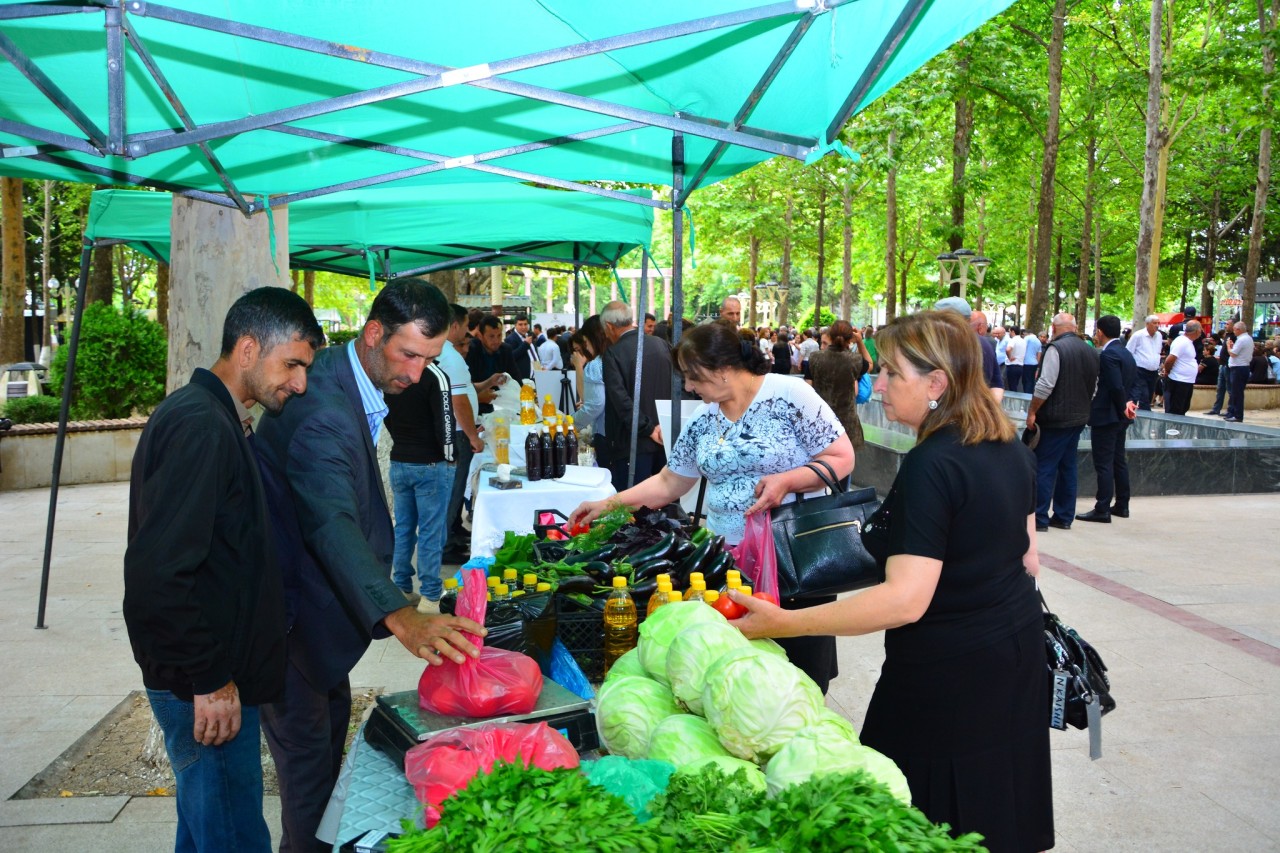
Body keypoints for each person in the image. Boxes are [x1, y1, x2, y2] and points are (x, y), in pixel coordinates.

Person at [726, 310, 1053, 853]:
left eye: (891, 373)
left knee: (914, 813)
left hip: (949, 674)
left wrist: (785, 622)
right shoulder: (1008, 445)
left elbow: (905, 599)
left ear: (936, 383)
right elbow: (1028, 559)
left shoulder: (935, 462)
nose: (876, 384)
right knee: (995, 806)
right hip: (1012, 654)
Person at [255, 281, 486, 853]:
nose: (415, 374)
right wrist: (400, 615)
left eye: (429, 360)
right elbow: (330, 524)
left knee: (328, 771)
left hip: (318, 623)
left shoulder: (342, 369)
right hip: (290, 625)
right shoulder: (323, 414)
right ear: (374, 333)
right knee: (309, 795)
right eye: (408, 355)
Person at [124, 288, 323, 853]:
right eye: (292, 364)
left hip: (214, 679)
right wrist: (209, 679)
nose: (300, 383)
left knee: (209, 834)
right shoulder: (200, 425)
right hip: (204, 686)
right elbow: (157, 576)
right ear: (246, 348)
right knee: (233, 837)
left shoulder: (218, 418)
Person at [569, 321, 854, 692]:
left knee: (801, 668)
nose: (688, 386)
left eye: (693, 377)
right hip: (728, 562)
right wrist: (609, 504)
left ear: (721, 368)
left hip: (794, 557)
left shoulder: (790, 394)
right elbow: (670, 482)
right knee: (741, 670)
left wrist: (789, 480)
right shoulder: (703, 420)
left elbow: (842, 456)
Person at [384, 356, 455, 611]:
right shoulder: (435, 375)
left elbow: (387, 416)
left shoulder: (394, 370)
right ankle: (430, 595)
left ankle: (401, 587)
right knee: (431, 531)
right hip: (431, 463)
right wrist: (450, 456)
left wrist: (403, 442)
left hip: (401, 459)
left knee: (403, 527)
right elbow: (445, 422)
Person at [1026, 312, 1099, 531]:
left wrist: (1032, 412)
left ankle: (1039, 517)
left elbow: (1045, 384)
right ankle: (1064, 515)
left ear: (1054, 328)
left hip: (1055, 419)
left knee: (1045, 466)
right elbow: (1094, 387)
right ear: (1074, 328)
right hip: (1078, 417)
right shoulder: (1090, 350)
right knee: (1068, 467)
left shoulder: (1055, 349)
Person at [600, 300, 673, 490]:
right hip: (664, 436)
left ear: (609, 326)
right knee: (663, 503)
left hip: (631, 443)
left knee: (632, 506)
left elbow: (620, 400)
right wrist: (659, 427)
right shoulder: (661, 344)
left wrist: (648, 429)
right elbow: (679, 385)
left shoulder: (613, 354)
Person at [1078, 315, 1139, 523]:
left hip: (1107, 416)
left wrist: (1123, 406)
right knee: (1118, 460)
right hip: (1121, 416)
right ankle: (1122, 504)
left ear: (1100, 332)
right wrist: (1131, 404)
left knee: (1104, 463)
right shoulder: (1126, 353)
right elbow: (1134, 383)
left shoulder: (1108, 355)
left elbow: (1115, 385)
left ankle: (1102, 508)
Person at [439, 304, 485, 565]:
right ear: (454, 325)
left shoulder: (446, 354)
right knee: (454, 490)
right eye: (466, 325)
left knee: (455, 490)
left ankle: (452, 533)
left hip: (457, 431)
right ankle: (444, 546)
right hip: (457, 434)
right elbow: (458, 401)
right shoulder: (449, 355)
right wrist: (472, 435)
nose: (468, 331)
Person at [806, 320, 867, 455]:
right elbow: (869, 365)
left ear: (830, 337)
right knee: (844, 467)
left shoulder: (814, 358)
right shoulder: (855, 360)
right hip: (847, 425)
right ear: (850, 338)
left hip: (819, 422)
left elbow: (807, 389)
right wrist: (860, 342)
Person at [570, 315, 611, 448]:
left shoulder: (595, 365)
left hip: (605, 433)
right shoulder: (617, 356)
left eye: (585, 342)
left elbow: (593, 405)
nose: (585, 348)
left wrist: (570, 422)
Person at [466, 314, 515, 415]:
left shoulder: (506, 350)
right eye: (491, 336)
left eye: (499, 335)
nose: (496, 341)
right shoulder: (469, 350)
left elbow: (516, 378)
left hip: (502, 407)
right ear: (480, 335)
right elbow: (466, 384)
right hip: (475, 409)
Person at [1160, 319, 1202, 416]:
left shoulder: (1188, 342)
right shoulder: (1182, 342)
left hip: (1186, 381)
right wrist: (1167, 371)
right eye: (1200, 329)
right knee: (1176, 410)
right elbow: (1170, 360)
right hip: (1178, 381)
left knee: (1183, 408)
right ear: (1196, 331)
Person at [1126, 314, 1164, 410]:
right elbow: (1129, 351)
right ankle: (1143, 414)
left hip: (1153, 371)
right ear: (1147, 324)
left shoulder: (1159, 336)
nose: (1157, 325)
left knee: (1149, 394)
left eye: (1158, 323)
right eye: (1154, 323)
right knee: (1143, 395)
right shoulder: (1138, 335)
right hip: (1140, 370)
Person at [1225, 321, 1254, 422]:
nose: (1233, 332)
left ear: (1238, 329)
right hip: (1242, 367)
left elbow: (1233, 354)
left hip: (1239, 368)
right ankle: (1232, 412)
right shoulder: (1248, 338)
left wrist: (1228, 346)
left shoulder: (1242, 339)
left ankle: (1238, 415)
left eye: (1234, 330)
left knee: (1237, 393)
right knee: (1235, 392)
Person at [1004, 326, 1026, 392]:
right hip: (1020, 366)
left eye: (1009, 331)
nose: (1009, 333)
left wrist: (1009, 357)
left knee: (1011, 386)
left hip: (1012, 365)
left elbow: (1008, 349)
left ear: (1013, 331)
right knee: (1015, 385)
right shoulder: (1023, 341)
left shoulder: (1013, 340)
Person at [1022, 328, 1042, 394]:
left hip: (1027, 362)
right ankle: (1030, 394)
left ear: (1027, 333)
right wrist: (1037, 364)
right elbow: (1039, 354)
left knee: (1026, 381)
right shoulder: (1038, 341)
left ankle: (1026, 395)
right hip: (1034, 363)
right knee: (1031, 380)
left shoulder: (1027, 338)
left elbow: (1022, 348)